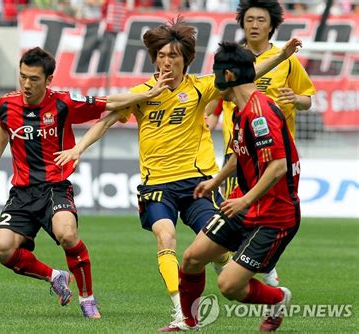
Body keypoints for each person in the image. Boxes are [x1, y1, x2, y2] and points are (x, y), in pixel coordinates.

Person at [52, 17, 302, 330]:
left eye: (174, 56)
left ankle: (248, 275)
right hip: (157, 184)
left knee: (212, 252)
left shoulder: (199, 88)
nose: (167, 61)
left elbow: (244, 77)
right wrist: (79, 149)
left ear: (185, 60)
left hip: (197, 182)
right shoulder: (142, 93)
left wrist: (280, 57)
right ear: (154, 58)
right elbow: (106, 119)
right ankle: (181, 313)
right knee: (165, 237)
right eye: (161, 55)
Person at [0, 47, 170, 319]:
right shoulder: (7, 103)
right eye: (22, 77)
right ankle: (55, 276)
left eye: (34, 79)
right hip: (22, 192)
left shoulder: (63, 102)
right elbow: (3, 126)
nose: (26, 84)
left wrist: (148, 94)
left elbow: (109, 102)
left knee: (67, 233)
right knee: (1, 247)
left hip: (54, 187)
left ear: (48, 81)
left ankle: (88, 299)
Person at [173, 41, 301, 332]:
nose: (214, 79)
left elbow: (278, 166)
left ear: (228, 75)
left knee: (229, 286)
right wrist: (216, 181)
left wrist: (244, 201)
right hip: (245, 205)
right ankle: (188, 324)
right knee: (192, 258)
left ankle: (278, 299)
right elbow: (239, 154)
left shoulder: (261, 113)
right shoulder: (240, 111)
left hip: (273, 215)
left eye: (216, 72)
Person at [206, 0, 316, 287]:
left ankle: (254, 270)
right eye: (249, 19)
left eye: (261, 20)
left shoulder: (287, 60)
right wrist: (210, 122)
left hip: (276, 152)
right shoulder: (233, 60)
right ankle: (248, 269)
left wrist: (296, 100)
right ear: (242, 23)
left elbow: (307, 98)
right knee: (236, 211)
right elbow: (217, 103)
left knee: (260, 211)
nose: (254, 25)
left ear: (271, 25)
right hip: (240, 154)